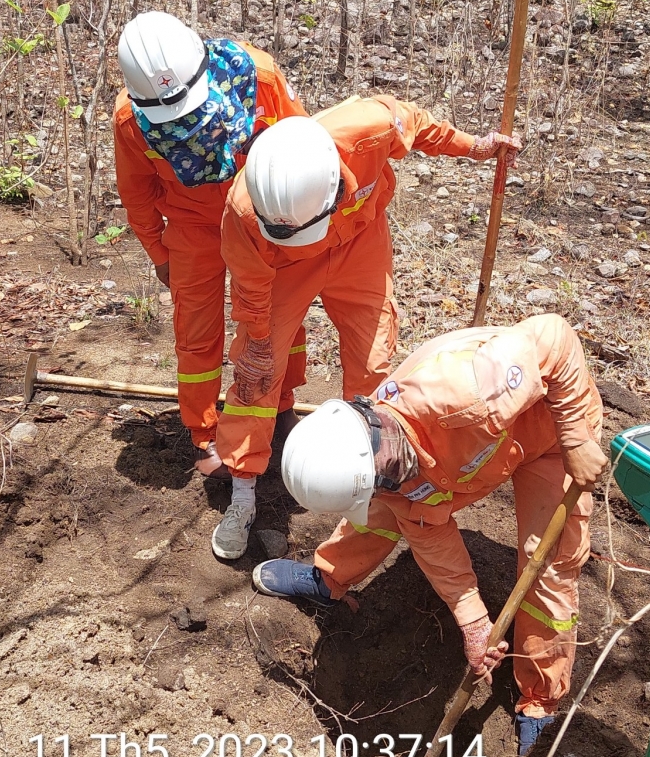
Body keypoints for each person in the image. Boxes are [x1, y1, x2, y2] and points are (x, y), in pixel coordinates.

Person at [251, 314, 605, 757]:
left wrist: (574, 436)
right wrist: (475, 625)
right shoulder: (375, 456)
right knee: (384, 509)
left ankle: (539, 701)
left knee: (548, 563)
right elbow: (430, 536)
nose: (389, 490)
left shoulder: (465, 389)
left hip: (552, 438)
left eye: (381, 481)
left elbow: (553, 335)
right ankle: (329, 578)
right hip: (467, 459)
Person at [210, 99, 514, 559]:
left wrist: (476, 147)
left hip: (360, 246)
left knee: (373, 367)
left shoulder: (370, 127)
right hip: (287, 268)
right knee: (258, 373)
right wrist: (255, 337)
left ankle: (367, 481)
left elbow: (423, 126)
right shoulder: (245, 208)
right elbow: (251, 285)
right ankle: (244, 491)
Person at [113, 12, 307, 478]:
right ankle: (202, 432)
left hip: (258, 219)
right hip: (190, 229)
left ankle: (281, 406)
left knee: (277, 318)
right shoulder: (131, 120)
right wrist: (158, 253)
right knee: (196, 333)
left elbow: (303, 148)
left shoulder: (259, 77)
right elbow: (136, 192)